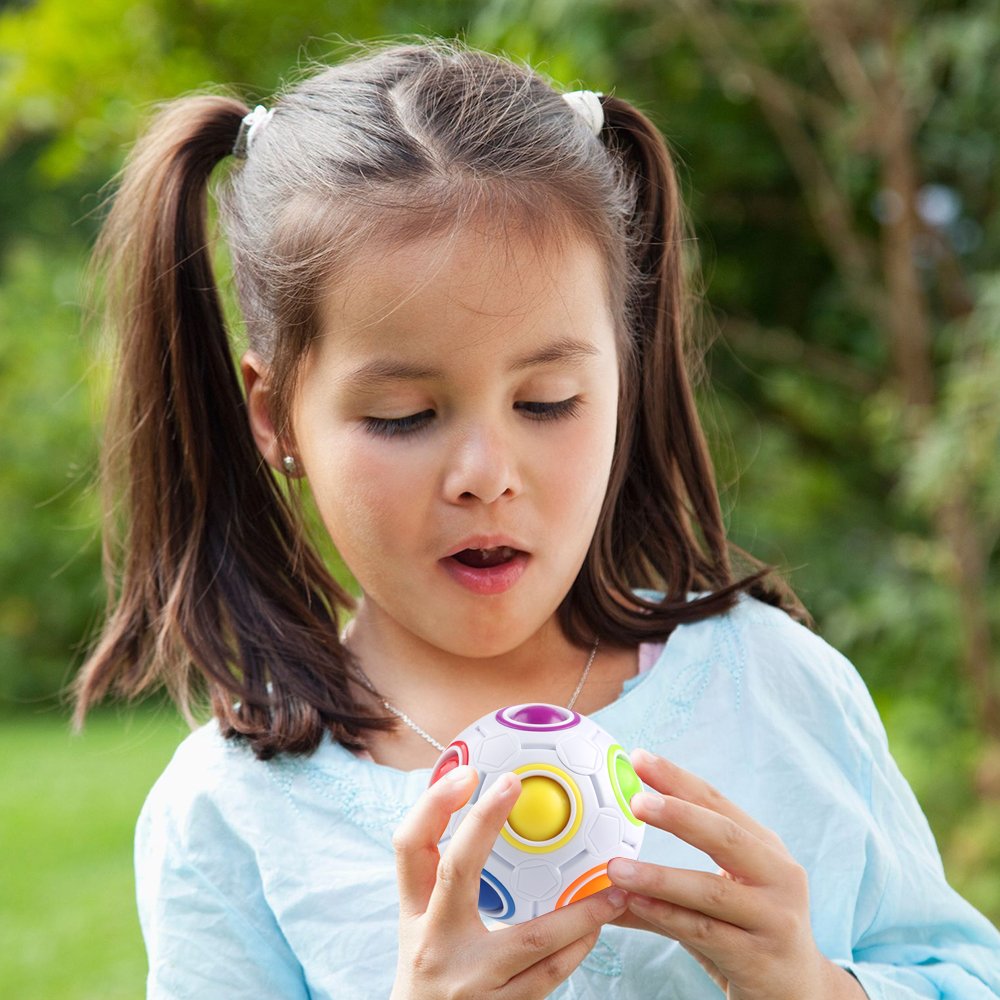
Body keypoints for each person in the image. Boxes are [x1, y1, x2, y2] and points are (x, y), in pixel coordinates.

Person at [74, 39, 1000, 999]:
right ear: (274, 416)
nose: (485, 475)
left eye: (548, 399)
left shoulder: (779, 691)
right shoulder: (233, 815)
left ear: (624, 379)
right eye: (404, 417)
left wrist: (817, 987)